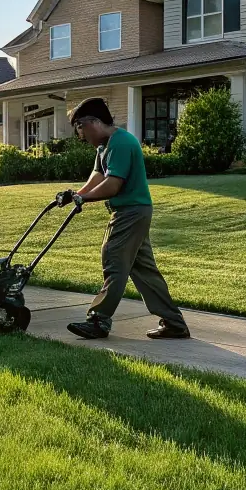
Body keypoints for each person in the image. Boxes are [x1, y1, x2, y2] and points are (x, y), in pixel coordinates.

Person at [55, 97, 190, 341]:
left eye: (80, 127)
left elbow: (113, 185)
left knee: (114, 260)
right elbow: (97, 178)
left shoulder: (122, 142)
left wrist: (84, 200)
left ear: (94, 122)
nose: (80, 135)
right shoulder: (104, 146)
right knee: (144, 270)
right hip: (132, 211)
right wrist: (76, 195)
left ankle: (99, 320)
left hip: (131, 211)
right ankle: (174, 323)